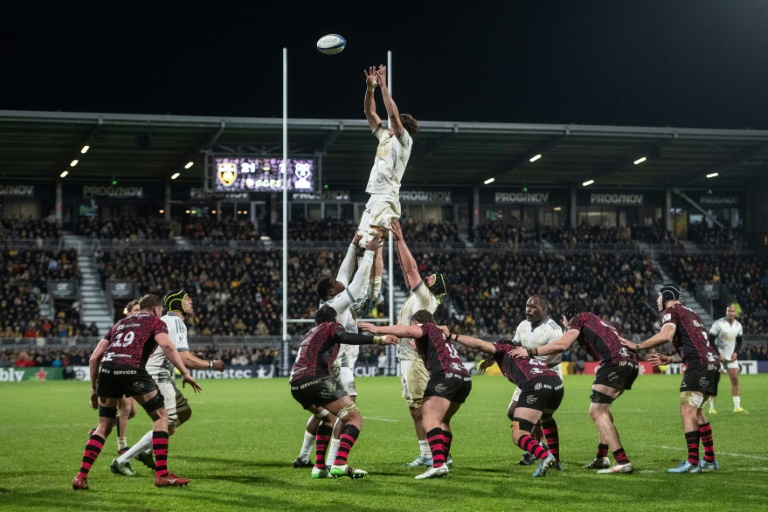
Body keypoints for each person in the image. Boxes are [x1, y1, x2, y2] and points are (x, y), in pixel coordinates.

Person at [72, 294, 201, 490]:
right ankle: (162, 475)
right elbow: (167, 345)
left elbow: (94, 358)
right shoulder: (156, 322)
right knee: (161, 417)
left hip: (107, 370)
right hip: (132, 369)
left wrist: (94, 389)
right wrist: (185, 372)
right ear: (157, 310)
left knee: (103, 426)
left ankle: (81, 477)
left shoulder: (121, 323)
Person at [510, 302, 638, 475]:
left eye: (564, 321)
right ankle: (602, 456)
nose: (564, 325)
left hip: (614, 363)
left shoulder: (578, 319)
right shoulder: (602, 322)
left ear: (567, 317)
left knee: (596, 412)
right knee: (603, 409)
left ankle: (622, 461)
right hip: (631, 363)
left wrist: (530, 352)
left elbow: (562, 345)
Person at [111, 290, 225, 476]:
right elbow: (185, 359)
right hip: (158, 375)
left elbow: (173, 352)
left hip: (150, 372)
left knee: (184, 413)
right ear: (177, 303)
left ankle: (147, 452)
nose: (191, 302)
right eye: (187, 299)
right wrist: (213, 364)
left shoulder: (164, 321)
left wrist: (193, 358)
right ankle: (123, 460)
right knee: (165, 420)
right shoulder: (177, 322)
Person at [293, 234, 382, 468]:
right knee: (348, 411)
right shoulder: (337, 303)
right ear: (332, 292)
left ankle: (304, 457)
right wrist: (370, 252)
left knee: (324, 413)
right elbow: (357, 283)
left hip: (329, 365)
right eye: (336, 283)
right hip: (339, 364)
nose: (340, 280)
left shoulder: (333, 300)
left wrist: (353, 246)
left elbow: (344, 274)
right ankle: (334, 462)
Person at [359, 309, 470, 480]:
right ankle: (444, 458)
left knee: (429, 416)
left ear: (417, 322)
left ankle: (438, 464)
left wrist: (377, 329)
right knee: (443, 420)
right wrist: (408, 342)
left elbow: (409, 330)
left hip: (444, 375)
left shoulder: (426, 327)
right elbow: (419, 344)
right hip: (463, 377)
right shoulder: (439, 334)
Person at [621, 284, 721, 474]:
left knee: (687, 409)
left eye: (659, 297)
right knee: (697, 411)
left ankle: (692, 462)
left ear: (667, 297)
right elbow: (696, 345)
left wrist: (637, 346)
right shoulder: (693, 314)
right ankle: (709, 459)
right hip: (712, 364)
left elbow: (666, 335)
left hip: (698, 365)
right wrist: (669, 359)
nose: (657, 300)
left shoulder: (671, 310)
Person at [290, 305, 398, 479]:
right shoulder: (330, 326)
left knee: (328, 418)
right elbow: (343, 336)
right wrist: (378, 339)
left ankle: (319, 467)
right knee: (354, 418)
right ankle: (339, 463)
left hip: (295, 384)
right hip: (316, 379)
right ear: (334, 319)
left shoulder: (311, 332)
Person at [449, 331, 563, 477]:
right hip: (556, 384)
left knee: (518, 433)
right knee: (538, 417)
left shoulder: (503, 349)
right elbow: (495, 356)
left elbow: (479, 344)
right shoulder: (517, 353)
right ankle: (556, 461)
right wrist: (490, 361)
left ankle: (545, 455)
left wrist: (453, 336)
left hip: (535, 385)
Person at [389, 219, 450, 468]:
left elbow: (411, 269)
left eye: (430, 278)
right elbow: (407, 271)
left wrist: (400, 239)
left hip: (415, 361)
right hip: (407, 359)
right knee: (417, 408)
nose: (425, 277)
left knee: (421, 409)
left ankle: (432, 453)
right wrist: (395, 243)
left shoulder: (426, 299)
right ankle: (434, 451)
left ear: (433, 288)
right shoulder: (419, 298)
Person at [479, 294, 563, 467]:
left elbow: (556, 358)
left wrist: (536, 363)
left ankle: (540, 452)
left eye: (533, 307)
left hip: (546, 376)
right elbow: (512, 345)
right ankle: (538, 447)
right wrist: (493, 357)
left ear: (544, 309)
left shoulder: (553, 329)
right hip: (526, 376)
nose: (528, 310)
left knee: (542, 418)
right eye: (527, 306)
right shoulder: (523, 325)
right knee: (512, 413)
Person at [355, 65, 419, 247]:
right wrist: (370, 89)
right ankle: (368, 276)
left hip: (387, 196)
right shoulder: (385, 135)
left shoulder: (404, 140)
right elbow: (369, 112)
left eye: (394, 122)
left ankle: (375, 277)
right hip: (375, 195)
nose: (389, 122)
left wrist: (383, 87)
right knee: (361, 243)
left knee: (373, 243)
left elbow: (392, 114)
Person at [87, 299, 140, 455]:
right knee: (126, 408)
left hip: (129, 371)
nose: (139, 313)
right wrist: (93, 388)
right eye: (136, 310)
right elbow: (94, 359)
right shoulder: (120, 327)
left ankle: (99, 430)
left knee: (132, 413)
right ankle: (122, 446)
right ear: (128, 313)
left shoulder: (141, 330)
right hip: (117, 369)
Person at [708, 304, 747, 414]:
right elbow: (711, 339)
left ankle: (737, 407)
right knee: (715, 381)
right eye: (729, 311)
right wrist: (717, 354)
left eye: (733, 311)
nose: (731, 313)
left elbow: (739, 341)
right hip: (718, 357)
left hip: (731, 357)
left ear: (735, 313)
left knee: (735, 380)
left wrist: (736, 352)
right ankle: (711, 407)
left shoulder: (738, 325)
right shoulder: (719, 323)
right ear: (726, 312)